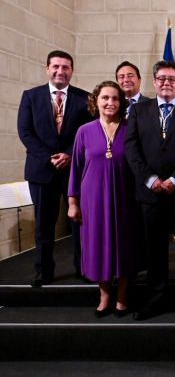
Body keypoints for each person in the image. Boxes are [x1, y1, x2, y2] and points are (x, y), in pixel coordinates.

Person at [124, 60, 175, 320]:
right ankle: (156, 296)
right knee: (154, 248)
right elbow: (131, 148)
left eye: (172, 79)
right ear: (154, 81)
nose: (167, 83)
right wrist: (150, 179)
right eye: (161, 78)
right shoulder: (139, 111)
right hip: (150, 193)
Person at [17, 50, 94, 287]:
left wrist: (70, 154)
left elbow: (89, 132)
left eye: (66, 67)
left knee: (78, 223)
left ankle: (83, 267)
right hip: (42, 170)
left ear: (72, 70)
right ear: (47, 68)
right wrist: (51, 158)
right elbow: (26, 132)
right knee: (44, 224)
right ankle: (44, 271)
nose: (61, 71)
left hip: (75, 170)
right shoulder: (31, 96)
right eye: (56, 67)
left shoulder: (85, 98)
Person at [67, 81, 139, 318]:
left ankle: (122, 296)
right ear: (95, 100)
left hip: (125, 197)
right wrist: (72, 202)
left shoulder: (131, 128)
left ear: (122, 102)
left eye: (115, 99)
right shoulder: (84, 131)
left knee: (126, 245)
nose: (110, 103)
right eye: (105, 98)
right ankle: (105, 295)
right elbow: (75, 169)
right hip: (93, 199)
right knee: (98, 245)